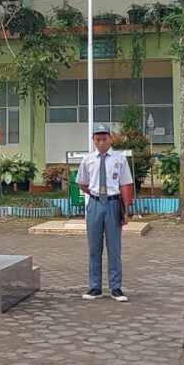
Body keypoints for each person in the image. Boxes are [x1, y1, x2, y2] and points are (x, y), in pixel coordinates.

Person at [76, 124, 134, 302]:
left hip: (113, 204)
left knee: (114, 248)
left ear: (111, 138)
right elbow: (82, 183)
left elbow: (124, 185)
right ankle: (95, 287)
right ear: (93, 140)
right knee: (94, 248)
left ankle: (116, 287)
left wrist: (125, 210)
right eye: (98, 139)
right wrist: (95, 195)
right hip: (94, 205)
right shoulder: (88, 159)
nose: (101, 142)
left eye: (104, 139)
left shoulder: (119, 159)